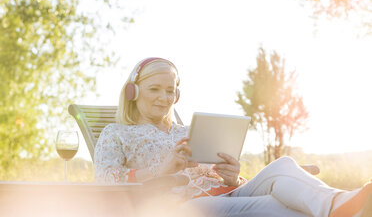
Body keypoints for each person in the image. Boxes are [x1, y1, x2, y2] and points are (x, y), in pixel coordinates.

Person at [94, 57, 372, 217]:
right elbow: (106, 182)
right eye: (155, 89)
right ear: (133, 91)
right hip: (180, 206)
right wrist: (161, 169)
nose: (165, 98)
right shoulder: (116, 134)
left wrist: (232, 177)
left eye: (170, 91)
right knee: (276, 206)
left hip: (226, 193)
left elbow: (222, 180)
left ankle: (337, 204)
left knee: (284, 165)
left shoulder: (186, 132)